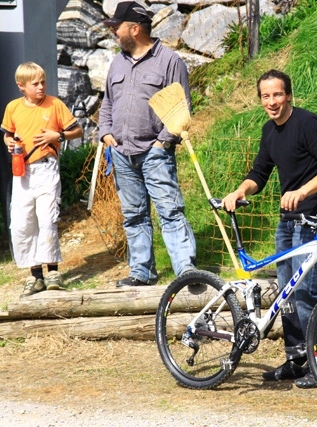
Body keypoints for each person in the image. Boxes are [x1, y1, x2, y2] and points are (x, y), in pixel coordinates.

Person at [222, 69, 317, 389]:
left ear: (288, 95)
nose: (272, 101)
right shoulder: (269, 131)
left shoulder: (307, 123)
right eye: (266, 96)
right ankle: (297, 360)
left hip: (312, 219)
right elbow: (259, 173)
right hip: (286, 222)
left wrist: (302, 191)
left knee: (305, 295)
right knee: (287, 296)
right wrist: (240, 190)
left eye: (277, 94)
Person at [98, 1, 197, 287]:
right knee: (133, 215)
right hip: (121, 153)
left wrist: (161, 144)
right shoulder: (117, 62)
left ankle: (186, 271)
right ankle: (142, 272)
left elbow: (181, 107)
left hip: (155, 152)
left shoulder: (170, 62)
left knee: (170, 211)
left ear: (135, 29)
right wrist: (105, 133)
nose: (114, 32)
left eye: (117, 27)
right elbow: (108, 103)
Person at [0, 61, 84, 298]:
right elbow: (7, 134)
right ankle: (35, 275)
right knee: (22, 222)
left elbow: (78, 131)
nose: (41, 87)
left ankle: (53, 272)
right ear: (21, 86)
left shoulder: (55, 104)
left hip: (46, 168)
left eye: (43, 82)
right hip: (22, 172)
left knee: (47, 219)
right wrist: (9, 143)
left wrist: (57, 135)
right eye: (35, 84)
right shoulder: (13, 107)